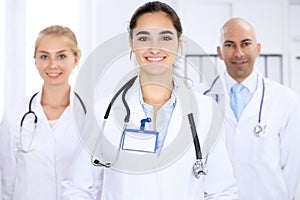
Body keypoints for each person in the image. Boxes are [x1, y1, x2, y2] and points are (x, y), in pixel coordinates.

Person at [61, 1, 238, 200]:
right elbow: (77, 188)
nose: (154, 48)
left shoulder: (206, 112)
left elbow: (221, 192)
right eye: (144, 37)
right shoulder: (103, 112)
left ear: (178, 44)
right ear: (131, 43)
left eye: (165, 38)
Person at [214, 17, 300, 199]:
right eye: (229, 45)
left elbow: (293, 170)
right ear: (219, 52)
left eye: (245, 44)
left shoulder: (285, 100)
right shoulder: (200, 100)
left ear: (258, 49)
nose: (238, 53)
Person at [0, 25, 84, 200]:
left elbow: (98, 182)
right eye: (44, 56)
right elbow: (6, 184)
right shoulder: (15, 115)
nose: (53, 65)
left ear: (75, 59)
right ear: (36, 61)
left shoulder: (91, 116)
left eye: (61, 56)